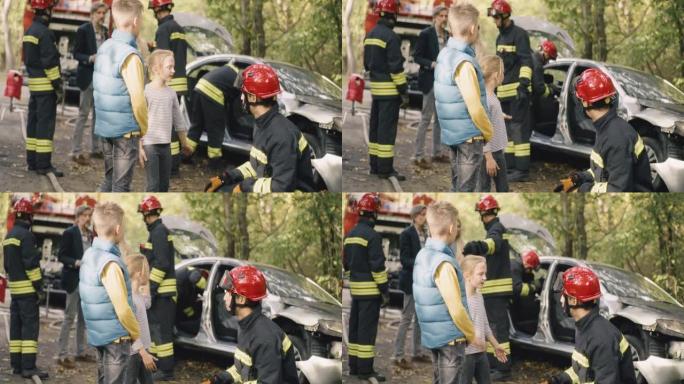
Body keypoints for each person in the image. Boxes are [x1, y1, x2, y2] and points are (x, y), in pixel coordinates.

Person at [205, 64, 315, 192]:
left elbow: (282, 186)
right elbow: (256, 165)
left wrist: (243, 187)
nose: (241, 98)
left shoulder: (282, 135)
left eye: (243, 93)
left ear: (252, 97)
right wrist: (226, 177)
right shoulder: (261, 123)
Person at [555, 68, 653, 192]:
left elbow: (618, 189)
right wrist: (580, 178)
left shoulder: (616, 138)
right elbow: (605, 168)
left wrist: (584, 189)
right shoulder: (606, 127)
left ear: (586, 103)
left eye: (580, 100)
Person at [413, 201, 475, 384]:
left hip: (434, 336)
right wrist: (471, 334)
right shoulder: (444, 264)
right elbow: (456, 309)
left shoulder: (422, 256)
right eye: (456, 225)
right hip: (451, 340)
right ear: (450, 228)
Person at [434, 2, 493, 192]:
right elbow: (475, 107)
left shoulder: (444, 55)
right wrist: (488, 132)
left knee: (456, 187)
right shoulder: (464, 63)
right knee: (466, 190)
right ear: (473, 28)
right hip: (469, 138)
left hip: (452, 134)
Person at [541, 266, 637, 384]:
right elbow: (581, 369)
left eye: (563, 295)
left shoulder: (601, 338)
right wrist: (556, 381)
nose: (561, 299)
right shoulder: (584, 326)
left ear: (573, 300)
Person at [80, 201, 141, 384]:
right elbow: (122, 308)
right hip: (116, 339)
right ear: (117, 229)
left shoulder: (89, 255)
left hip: (99, 334)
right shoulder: (111, 264)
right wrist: (136, 334)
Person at [206, 266, 298, 383]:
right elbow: (243, 368)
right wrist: (221, 379)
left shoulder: (264, 337)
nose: (224, 298)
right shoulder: (246, 326)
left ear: (241, 299)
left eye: (228, 293)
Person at [94, 0, 148, 192]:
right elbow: (139, 100)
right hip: (126, 132)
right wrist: (144, 128)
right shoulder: (131, 56)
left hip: (104, 127)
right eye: (141, 19)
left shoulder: (104, 47)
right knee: (121, 187)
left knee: (109, 181)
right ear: (135, 21)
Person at [463, 195, 512, 381]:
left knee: (499, 330)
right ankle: (495, 365)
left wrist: (477, 246)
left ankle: (503, 367)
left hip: (496, 291)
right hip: (493, 292)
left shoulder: (496, 229)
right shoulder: (496, 228)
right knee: (492, 328)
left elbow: (493, 244)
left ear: (484, 214)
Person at [343, 193, 389, 381]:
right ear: (374, 214)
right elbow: (377, 266)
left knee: (354, 328)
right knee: (366, 333)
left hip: (356, 291)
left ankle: (354, 367)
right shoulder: (373, 236)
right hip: (371, 292)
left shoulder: (350, 234)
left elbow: (346, 264)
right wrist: (384, 291)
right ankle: (365, 371)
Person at [3, 198, 49, 379]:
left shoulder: (9, 236)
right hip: (28, 292)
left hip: (14, 291)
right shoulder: (27, 236)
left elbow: (7, 265)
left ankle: (16, 365)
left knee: (16, 328)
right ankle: (28, 367)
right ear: (29, 217)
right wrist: (39, 287)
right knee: (29, 330)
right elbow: (31, 265)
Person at [488, 0, 533, 182]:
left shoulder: (520, 35)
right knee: (507, 132)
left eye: (496, 17)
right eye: (493, 17)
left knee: (518, 131)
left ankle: (522, 171)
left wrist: (523, 85)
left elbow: (526, 61)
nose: (494, 20)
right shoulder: (500, 38)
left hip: (517, 94)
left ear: (505, 16)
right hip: (503, 94)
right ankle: (511, 167)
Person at [364, 0, 407, 180]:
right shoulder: (391, 37)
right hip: (390, 93)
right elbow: (396, 68)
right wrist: (403, 91)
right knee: (386, 132)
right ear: (392, 15)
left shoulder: (370, 34)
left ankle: (374, 166)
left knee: (375, 128)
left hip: (376, 91)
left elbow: (366, 64)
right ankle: (385, 170)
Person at [138, 195, 177, 380]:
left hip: (161, 294)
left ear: (147, 214)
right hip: (159, 294)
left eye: (143, 215)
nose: (143, 219)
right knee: (155, 332)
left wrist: (150, 289)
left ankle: (166, 371)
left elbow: (162, 264)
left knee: (163, 334)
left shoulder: (159, 231)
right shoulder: (157, 231)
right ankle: (157, 366)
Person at [140, 49, 190, 192]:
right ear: (156, 69)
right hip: (150, 146)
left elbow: (179, 121)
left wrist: (184, 143)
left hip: (166, 147)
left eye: (173, 67)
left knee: (164, 185)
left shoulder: (172, 93)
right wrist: (139, 148)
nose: (173, 70)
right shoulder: (146, 91)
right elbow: (139, 121)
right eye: (169, 67)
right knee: (153, 185)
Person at [23, 0, 64, 177]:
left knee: (33, 124)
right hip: (46, 88)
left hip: (34, 86)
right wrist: (58, 85)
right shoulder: (45, 33)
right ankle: (44, 165)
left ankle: (32, 162)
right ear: (47, 10)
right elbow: (50, 64)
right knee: (44, 127)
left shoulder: (30, 30)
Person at [149, 0, 188, 177]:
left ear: (157, 10)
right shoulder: (179, 28)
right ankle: (174, 166)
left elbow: (162, 59)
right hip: (179, 83)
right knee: (174, 124)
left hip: (168, 83)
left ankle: (170, 168)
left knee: (167, 128)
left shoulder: (163, 29)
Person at [184, 61, 244, 170]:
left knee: (197, 125)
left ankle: (185, 154)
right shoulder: (239, 77)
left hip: (199, 88)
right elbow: (236, 98)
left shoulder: (227, 68)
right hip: (213, 94)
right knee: (216, 129)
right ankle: (214, 162)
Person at [56, 204, 95, 369]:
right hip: (74, 280)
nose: (87, 218)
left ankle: (81, 352)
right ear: (78, 216)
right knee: (69, 317)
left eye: (89, 216)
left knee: (84, 319)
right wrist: (75, 262)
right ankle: (62, 354)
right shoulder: (69, 233)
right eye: (85, 215)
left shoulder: (91, 235)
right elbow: (61, 256)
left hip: (87, 282)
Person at [392, 204, 430, 369]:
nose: (424, 218)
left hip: (424, 282)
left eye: (425, 215)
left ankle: (417, 352)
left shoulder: (427, 234)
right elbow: (404, 259)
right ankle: (398, 355)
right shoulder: (406, 234)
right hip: (411, 281)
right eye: (421, 215)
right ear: (414, 216)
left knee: (420, 320)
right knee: (406, 318)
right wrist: (421, 264)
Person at [460, 255, 508, 384]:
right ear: (467, 276)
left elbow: (485, 325)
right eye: (480, 274)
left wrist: (496, 345)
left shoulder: (479, 296)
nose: (485, 278)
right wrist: (475, 342)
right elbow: (458, 330)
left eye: (485, 274)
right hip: (465, 356)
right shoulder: (460, 301)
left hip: (481, 354)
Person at [71, 1, 108, 165]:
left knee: (98, 116)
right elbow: (76, 53)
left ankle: (96, 149)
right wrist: (89, 58)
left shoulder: (106, 32)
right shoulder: (83, 30)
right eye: (99, 13)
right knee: (83, 114)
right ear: (92, 14)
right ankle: (76, 151)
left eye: (103, 14)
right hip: (87, 77)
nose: (101, 16)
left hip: (102, 79)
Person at [412, 5, 449, 169]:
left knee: (440, 120)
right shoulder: (426, 34)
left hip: (444, 83)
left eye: (446, 16)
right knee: (426, 118)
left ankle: (437, 153)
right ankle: (418, 155)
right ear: (434, 17)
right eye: (441, 16)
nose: (444, 19)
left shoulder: (449, 36)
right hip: (430, 81)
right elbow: (417, 57)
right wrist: (431, 64)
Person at [123, 253, 158, 384]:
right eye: (147, 270)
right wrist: (143, 353)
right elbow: (129, 329)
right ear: (138, 274)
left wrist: (146, 283)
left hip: (143, 349)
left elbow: (147, 303)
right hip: (134, 352)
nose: (149, 273)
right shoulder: (130, 299)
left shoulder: (137, 295)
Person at [479, 55, 510, 192]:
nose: (504, 75)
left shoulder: (490, 95)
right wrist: (489, 158)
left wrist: (499, 115)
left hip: (497, 152)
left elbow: (488, 118)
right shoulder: (487, 99)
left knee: (503, 188)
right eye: (503, 72)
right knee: (484, 188)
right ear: (496, 75)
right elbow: (481, 130)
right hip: (489, 154)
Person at [510, 249, 543, 335]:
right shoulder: (515, 267)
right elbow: (518, 289)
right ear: (527, 264)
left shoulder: (517, 266)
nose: (530, 271)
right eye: (531, 269)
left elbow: (526, 278)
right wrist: (534, 287)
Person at [175, 266, 208, 335]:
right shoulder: (181, 287)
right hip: (178, 304)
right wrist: (193, 315)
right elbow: (183, 303)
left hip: (185, 297)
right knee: (189, 314)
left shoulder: (195, 273)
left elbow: (199, 289)